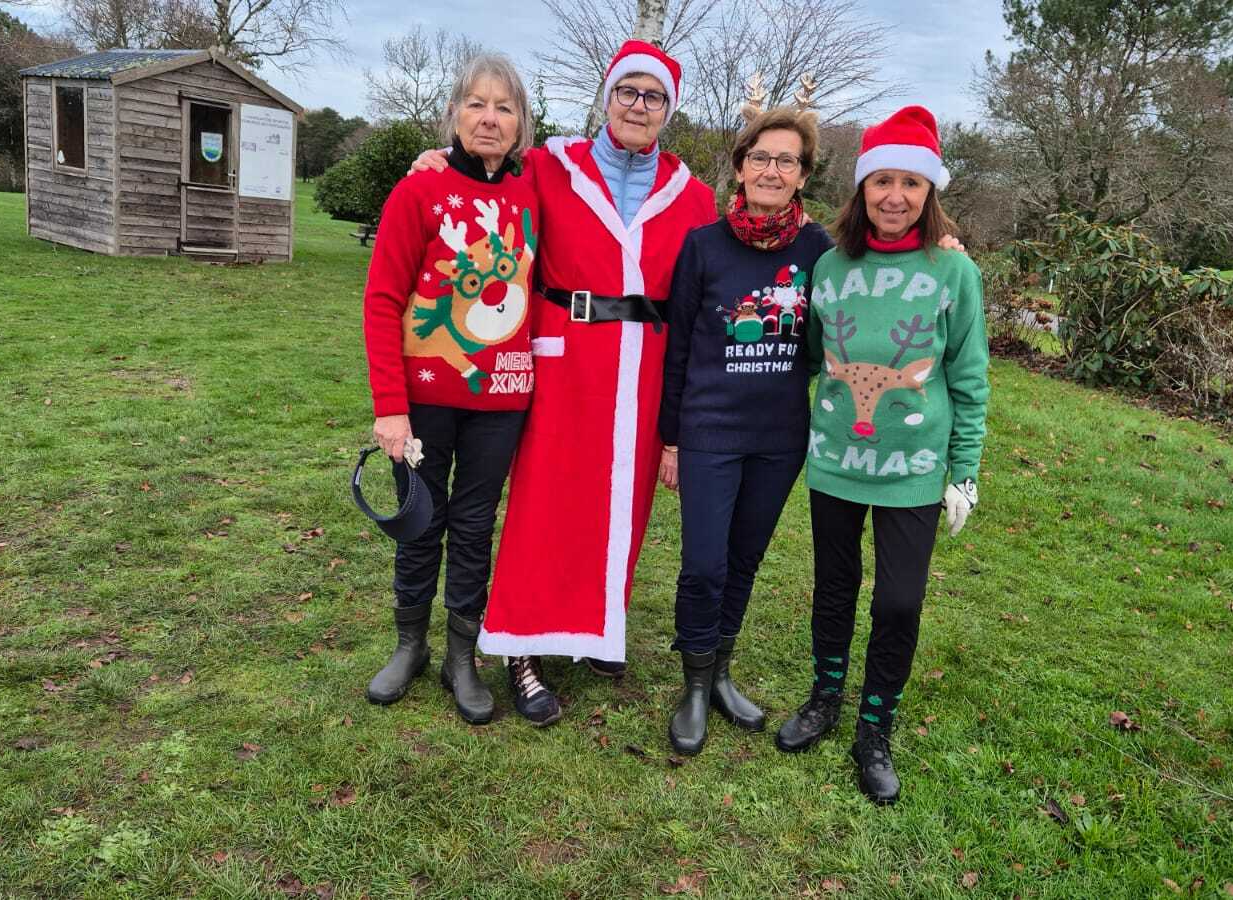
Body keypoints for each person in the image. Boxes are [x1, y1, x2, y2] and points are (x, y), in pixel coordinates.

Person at [418, 40, 717, 725]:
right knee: (545, 500)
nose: (638, 106)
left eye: (653, 96)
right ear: (607, 99)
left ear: (668, 109)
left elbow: (720, 266)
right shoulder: (550, 167)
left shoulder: (694, 195)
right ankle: (520, 647)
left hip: (642, 366)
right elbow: (482, 186)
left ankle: (596, 629)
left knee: (622, 505)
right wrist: (434, 163)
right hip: (562, 357)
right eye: (627, 91)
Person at [777, 106, 989, 806]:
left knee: (899, 601)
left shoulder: (954, 273)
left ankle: (875, 727)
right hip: (837, 463)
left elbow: (969, 378)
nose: (894, 196)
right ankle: (825, 697)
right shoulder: (830, 267)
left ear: (929, 193)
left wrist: (964, 472)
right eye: (882, 181)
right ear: (862, 187)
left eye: (911, 183)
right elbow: (811, 356)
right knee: (834, 587)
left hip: (913, 472)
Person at [360, 55, 539, 725]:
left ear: (521, 123)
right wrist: (390, 409)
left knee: (472, 526)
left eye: (504, 107)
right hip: (426, 397)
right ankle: (410, 645)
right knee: (421, 520)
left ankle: (462, 656)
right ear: (454, 114)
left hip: (501, 399)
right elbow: (383, 300)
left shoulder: (533, 190)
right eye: (476, 104)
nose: (489, 118)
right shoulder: (420, 191)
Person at [655, 101, 833, 755]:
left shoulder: (820, 251)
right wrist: (671, 439)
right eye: (760, 157)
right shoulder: (703, 245)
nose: (771, 170)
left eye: (786, 160)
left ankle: (720, 673)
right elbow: (677, 347)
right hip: (708, 430)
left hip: (778, 437)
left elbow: (874, 274)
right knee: (704, 564)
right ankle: (694, 686)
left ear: (803, 175)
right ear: (739, 167)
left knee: (744, 561)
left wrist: (943, 244)